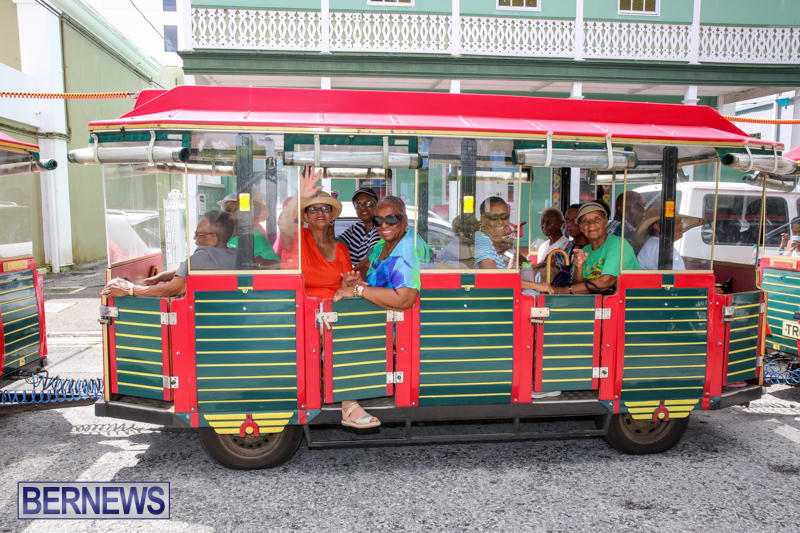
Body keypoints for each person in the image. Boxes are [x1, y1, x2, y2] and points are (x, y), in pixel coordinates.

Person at [333, 196, 431, 427]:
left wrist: (358, 290)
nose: (384, 225)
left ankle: (348, 403)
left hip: (405, 324)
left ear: (404, 220)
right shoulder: (382, 245)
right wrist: (354, 282)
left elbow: (404, 298)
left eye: (391, 219)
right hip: (384, 315)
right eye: (378, 220)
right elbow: (364, 270)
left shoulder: (408, 248)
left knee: (345, 330)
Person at [101, 210, 236, 298]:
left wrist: (130, 290)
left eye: (199, 234)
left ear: (214, 238)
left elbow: (172, 290)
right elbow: (187, 267)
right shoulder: (234, 254)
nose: (195, 239)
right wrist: (159, 277)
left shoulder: (202, 256)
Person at [277, 167, 352, 300]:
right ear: (305, 217)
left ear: (331, 215)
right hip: (300, 308)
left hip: (332, 308)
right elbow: (283, 222)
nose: (320, 212)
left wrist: (351, 284)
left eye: (325, 208)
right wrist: (300, 196)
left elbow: (347, 286)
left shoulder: (342, 249)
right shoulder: (297, 237)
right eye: (313, 209)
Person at [552, 201, 641, 295]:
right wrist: (579, 267)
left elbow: (606, 281)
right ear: (581, 227)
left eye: (597, 219)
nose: (591, 224)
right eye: (585, 221)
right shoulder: (584, 251)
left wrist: (560, 291)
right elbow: (578, 289)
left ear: (605, 222)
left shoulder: (618, 244)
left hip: (632, 300)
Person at [633, 205, 705, 270]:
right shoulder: (660, 246)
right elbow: (677, 276)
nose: (680, 224)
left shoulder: (655, 244)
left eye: (680, 221)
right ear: (657, 227)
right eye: (674, 221)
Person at [219, 193, 280, 268]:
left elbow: (276, 265)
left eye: (236, 210)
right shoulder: (219, 235)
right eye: (228, 210)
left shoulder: (256, 237)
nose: (231, 214)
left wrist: (260, 263)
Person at [338, 187, 380, 271]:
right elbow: (336, 245)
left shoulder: (381, 227)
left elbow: (370, 259)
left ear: (377, 204)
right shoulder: (357, 227)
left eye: (368, 203)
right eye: (358, 205)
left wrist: (350, 274)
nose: (363, 207)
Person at [531, 207, 569, 284]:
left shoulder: (565, 245)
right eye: (542, 222)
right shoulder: (543, 246)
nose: (544, 225)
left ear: (561, 223)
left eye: (548, 222)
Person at [475, 196, 515, 269]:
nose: (500, 222)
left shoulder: (498, 242)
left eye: (504, 216)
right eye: (493, 217)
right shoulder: (481, 240)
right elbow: (490, 274)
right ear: (482, 219)